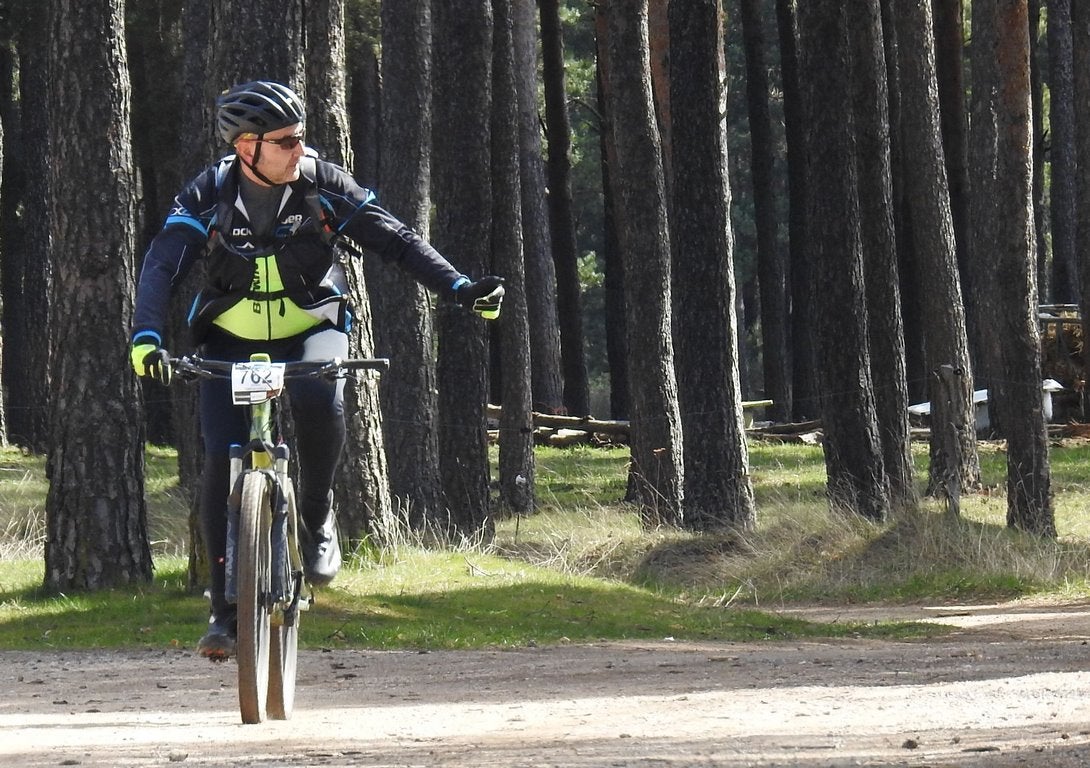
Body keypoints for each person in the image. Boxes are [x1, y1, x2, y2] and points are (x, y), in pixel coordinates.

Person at [130, 80, 504, 660]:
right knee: (218, 460)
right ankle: (224, 611)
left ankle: (316, 512)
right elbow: (162, 263)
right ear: (246, 147)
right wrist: (146, 335)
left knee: (316, 400)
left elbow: (395, 239)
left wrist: (458, 286)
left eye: (302, 137)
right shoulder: (209, 192)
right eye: (285, 141)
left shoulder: (322, 184)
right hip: (229, 336)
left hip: (313, 328)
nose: (299, 148)